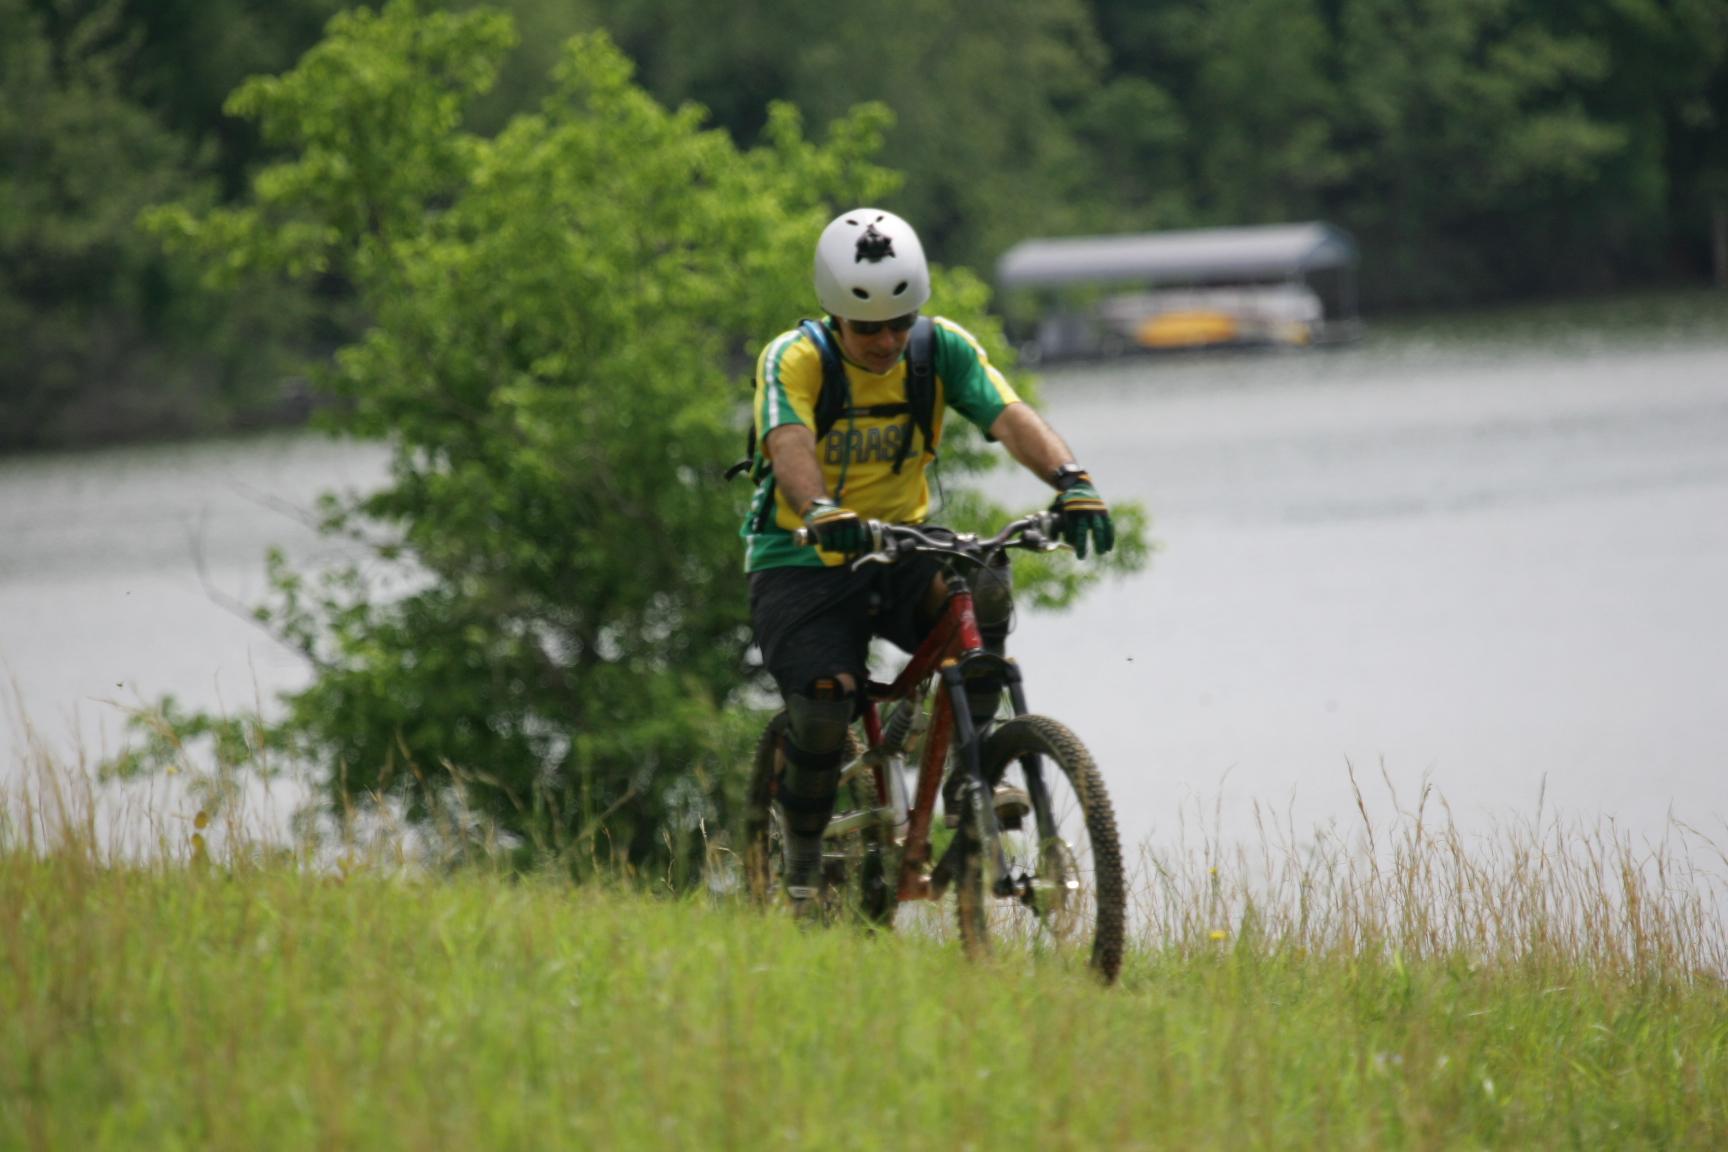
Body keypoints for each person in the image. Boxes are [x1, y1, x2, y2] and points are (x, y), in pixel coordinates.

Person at [741, 207, 1115, 904]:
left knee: (984, 585)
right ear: (833, 316)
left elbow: (1009, 415)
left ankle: (971, 777)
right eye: (867, 327)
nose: (886, 341)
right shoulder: (794, 358)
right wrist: (821, 511)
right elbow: (787, 438)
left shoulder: (940, 349)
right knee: (826, 701)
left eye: (899, 322)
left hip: (901, 548)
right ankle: (799, 858)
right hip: (799, 559)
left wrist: (1074, 481)